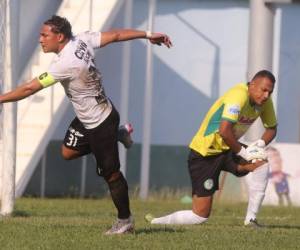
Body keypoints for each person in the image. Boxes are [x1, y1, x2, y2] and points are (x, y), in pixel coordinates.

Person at [0, 15, 172, 234]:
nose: (40, 39)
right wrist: (147, 34)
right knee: (67, 152)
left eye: (44, 35)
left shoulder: (66, 63)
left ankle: (125, 221)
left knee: (111, 175)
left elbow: (29, 89)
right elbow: (117, 35)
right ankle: (119, 134)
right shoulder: (82, 39)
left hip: (100, 123)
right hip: (88, 118)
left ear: (59, 36)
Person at [145, 70, 277, 228]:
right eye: (264, 90)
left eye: (270, 91)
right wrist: (244, 153)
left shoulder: (265, 102)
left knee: (261, 163)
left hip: (227, 148)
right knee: (199, 216)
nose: (266, 95)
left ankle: (251, 220)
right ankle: (156, 222)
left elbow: (272, 128)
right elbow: (224, 131)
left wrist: (259, 144)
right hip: (204, 153)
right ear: (252, 84)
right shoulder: (238, 95)